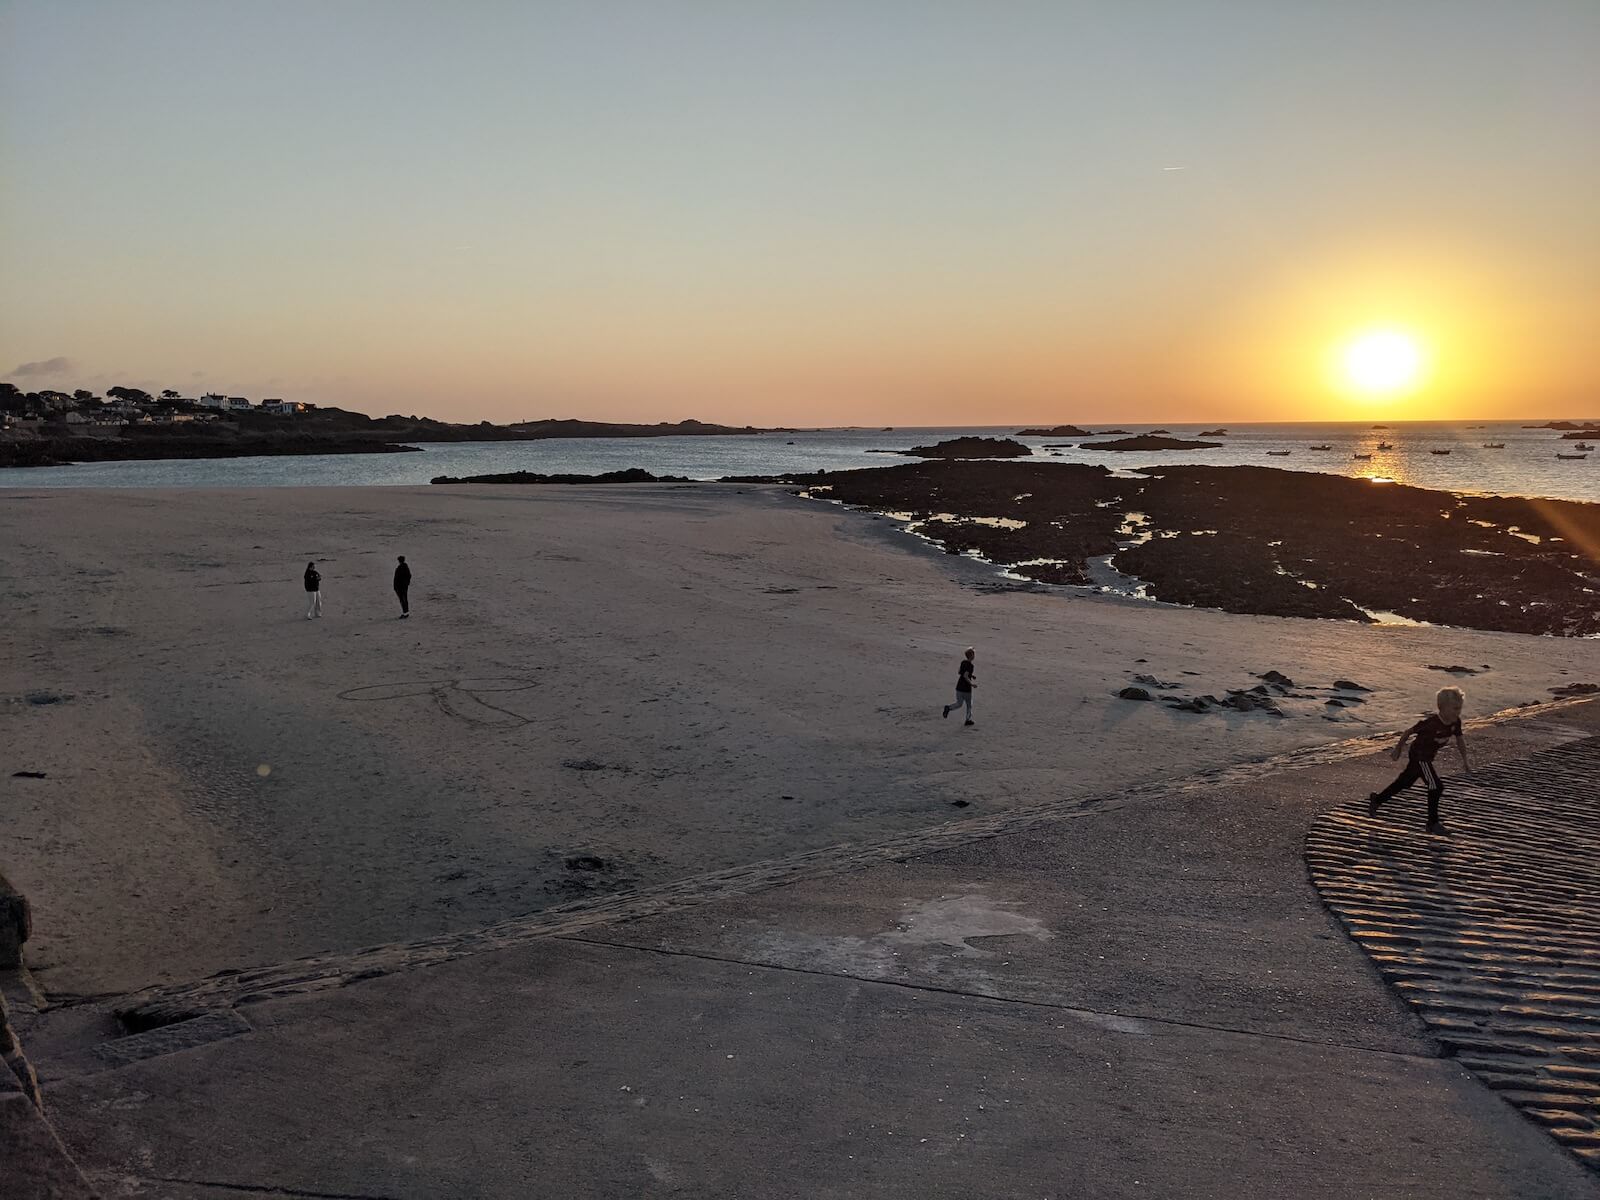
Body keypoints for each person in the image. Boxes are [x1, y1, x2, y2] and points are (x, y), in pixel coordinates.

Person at [1369, 686, 1471, 832]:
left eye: (1459, 708)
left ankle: (1377, 800)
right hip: (1419, 756)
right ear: (1442, 707)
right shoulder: (1431, 723)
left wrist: (1465, 760)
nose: (1458, 712)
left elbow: (1460, 740)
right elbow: (1407, 733)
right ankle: (1432, 823)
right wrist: (1398, 749)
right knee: (1436, 786)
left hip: (1427, 758)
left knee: (1403, 782)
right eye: (1455, 708)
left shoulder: (1455, 723)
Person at [942, 647, 977, 726]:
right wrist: (972, 684)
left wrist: (972, 675)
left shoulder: (963, 662)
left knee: (959, 703)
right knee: (969, 705)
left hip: (959, 687)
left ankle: (948, 708)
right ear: (971, 656)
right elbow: (965, 675)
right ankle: (968, 720)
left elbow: (960, 672)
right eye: (974, 654)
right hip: (966, 689)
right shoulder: (971, 666)